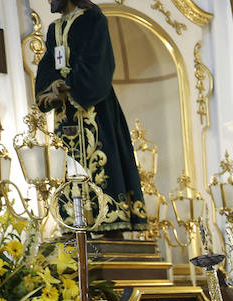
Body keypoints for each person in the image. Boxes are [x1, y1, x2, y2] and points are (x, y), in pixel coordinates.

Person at [34, 0, 145, 234]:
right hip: (66, 114)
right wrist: (51, 87)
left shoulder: (93, 19)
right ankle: (74, 222)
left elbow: (98, 60)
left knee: (103, 159)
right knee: (69, 163)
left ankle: (109, 221)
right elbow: (47, 66)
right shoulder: (54, 29)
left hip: (94, 107)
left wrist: (70, 86)